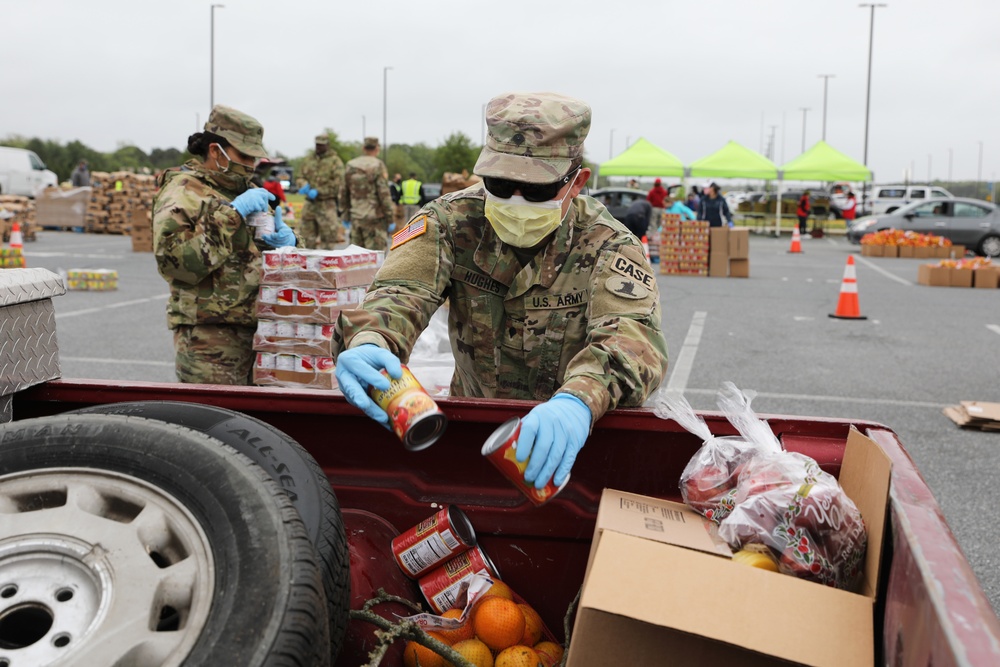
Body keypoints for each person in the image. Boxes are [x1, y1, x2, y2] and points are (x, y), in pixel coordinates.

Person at [334, 92, 669, 492]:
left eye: (537, 190)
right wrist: (371, 338)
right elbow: (399, 293)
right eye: (500, 183)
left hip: (575, 444)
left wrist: (578, 401)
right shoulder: (448, 222)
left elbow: (632, 341)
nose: (514, 201)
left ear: (577, 182)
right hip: (474, 433)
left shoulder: (609, 245)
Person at [152, 104, 297, 385]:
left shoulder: (249, 190)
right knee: (215, 423)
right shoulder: (183, 191)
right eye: (244, 155)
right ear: (216, 151)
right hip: (209, 341)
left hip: (263, 334)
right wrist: (232, 214)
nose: (251, 165)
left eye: (254, 158)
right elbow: (177, 264)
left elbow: (262, 253)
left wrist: (290, 243)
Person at [340, 136, 395, 251]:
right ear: (377, 148)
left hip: (355, 218)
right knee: (375, 258)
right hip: (374, 220)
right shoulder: (378, 165)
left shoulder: (351, 165)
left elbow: (344, 192)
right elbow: (384, 194)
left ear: (363, 148)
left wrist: (345, 215)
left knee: (356, 258)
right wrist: (390, 218)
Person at [298, 134, 345, 249]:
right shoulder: (309, 160)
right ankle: (308, 264)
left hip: (327, 204)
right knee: (306, 237)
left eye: (321, 145)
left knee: (328, 237)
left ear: (327, 145)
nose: (318, 147)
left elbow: (338, 182)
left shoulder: (335, 161)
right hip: (310, 204)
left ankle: (326, 264)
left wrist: (319, 190)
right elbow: (300, 176)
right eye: (317, 145)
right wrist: (304, 185)